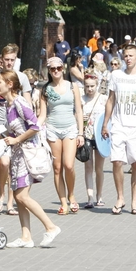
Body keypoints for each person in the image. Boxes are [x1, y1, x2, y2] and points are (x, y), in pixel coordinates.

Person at [0, 70, 61, 248]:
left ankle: (50, 227)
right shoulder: (8, 105)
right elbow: (14, 129)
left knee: (21, 195)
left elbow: (35, 126)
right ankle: (26, 236)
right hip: (18, 153)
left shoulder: (20, 102)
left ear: (10, 84)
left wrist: (17, 140)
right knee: (19, 193)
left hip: (28, 152)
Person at [102, 44, 136, 215]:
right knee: (117, 162)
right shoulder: (116, 75)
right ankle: (120, 197)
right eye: (126, 56)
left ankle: (134, 202)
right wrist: (105, 123)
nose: (128, 58)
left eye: (131, 55)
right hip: (118, 125)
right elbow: (110, 101)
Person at [0, 44, 32, 216]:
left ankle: (11, 202)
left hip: (16, 125)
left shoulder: (21, 77)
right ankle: (1, 193)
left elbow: (28, 103)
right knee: (4, 162)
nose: (9, 63)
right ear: (1, 60)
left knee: (14, 164)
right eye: (7, 60)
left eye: (12, 60)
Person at [38, 57, 84, 215]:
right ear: (49, 71)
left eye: (58, 68)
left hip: (70, 128)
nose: (56, 71)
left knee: (69, 165)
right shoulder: (45, 89)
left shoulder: (73, 87)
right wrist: (34, 127)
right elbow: (42, 115)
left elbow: (78, 111)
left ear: (63, 68)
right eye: (52, 69)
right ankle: (63, 202)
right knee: (57, 168)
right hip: (52, 129)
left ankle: (71, 195)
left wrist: (81, 133)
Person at [82, 72, 107, 208]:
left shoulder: (103, 99)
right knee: (88, 167)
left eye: (92, 86)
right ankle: (90, 197)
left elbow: (108, 117)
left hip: (99, 137)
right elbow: (77, 116)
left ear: (97, 85)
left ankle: (100, 196)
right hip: (86, 136)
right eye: (87, 86)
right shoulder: (81, 99)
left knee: (99, 168)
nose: (90, 89)